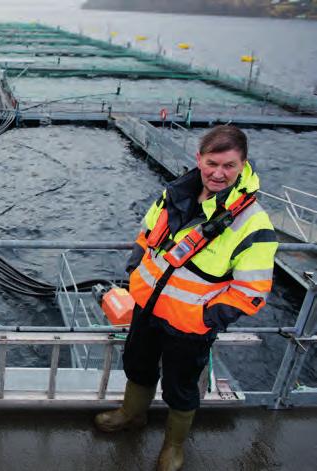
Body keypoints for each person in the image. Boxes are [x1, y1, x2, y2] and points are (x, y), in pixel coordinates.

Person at [94, 125, 277, 471]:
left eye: (229, 166)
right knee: (138, 365)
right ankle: (132, 415)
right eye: (212, 163)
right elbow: (147, 233)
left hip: (190, 325)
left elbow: (252, 291)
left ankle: (173, 446)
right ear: (199, 159)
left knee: (181, 386)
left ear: (243, 166)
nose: (218, 173)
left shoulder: (254, 223)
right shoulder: (175, 193)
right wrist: (135, 273)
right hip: (147, 309)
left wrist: (206, 318)